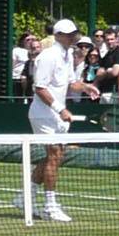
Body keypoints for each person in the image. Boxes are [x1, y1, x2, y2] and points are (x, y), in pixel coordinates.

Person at [28, 19, 92, 223]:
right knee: (55, 156)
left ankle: (25, 198)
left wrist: (86, 87)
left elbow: (71, 83)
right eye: (68, 33)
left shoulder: (67, 55)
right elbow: (40, 88)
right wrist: (61, 109)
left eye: (74, 33)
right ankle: (49, 206)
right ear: (57, 35)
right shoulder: (48, 56)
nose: (73, 36)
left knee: (53, 158)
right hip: (44, 113)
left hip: (56, 115)